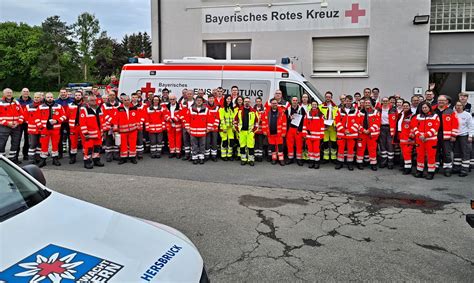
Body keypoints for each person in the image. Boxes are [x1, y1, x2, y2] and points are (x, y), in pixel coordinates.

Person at [411, 102, 440, 180]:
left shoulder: (435, 116)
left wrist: (425, 135)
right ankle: (419, 170)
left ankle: (431, 172)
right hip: (420, 139)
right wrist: (419, 135)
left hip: (431, 140)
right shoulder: (418, 116)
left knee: (431, 156)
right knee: (420, 155)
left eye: (426, 107)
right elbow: (414, 126)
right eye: (423, 108)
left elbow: (435, 128)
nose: (424, 109)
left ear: (429, 108)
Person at [37, 92, 66, 167]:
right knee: (44, 144)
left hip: (55, 129)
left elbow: (64, 116)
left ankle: (55, 159)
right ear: (45, 98)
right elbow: (36, 118)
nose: (49, 98)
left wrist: (57, 121)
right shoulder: (41, 107)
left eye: (51, 97)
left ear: (53, 98)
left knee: (55, 144)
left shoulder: (59, 106)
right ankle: (43, 160)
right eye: (48, 97)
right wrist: (41, 126)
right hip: (44, 129)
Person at [434, 95, 459, 176]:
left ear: (446, 101)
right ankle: (435, 166)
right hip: (434, 135)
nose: (441, 102)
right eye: (439, 100)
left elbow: (455, 124)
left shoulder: (450, 111)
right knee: (435, 151)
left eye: (443, 100)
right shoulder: (433, 110)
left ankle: (447, 168)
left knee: (446, 152)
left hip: (446, 136)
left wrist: (453, 135)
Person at [79, 93, 106, 169]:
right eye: (91, 100)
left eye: (95, 100)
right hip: (89, 134)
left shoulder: (99, 108)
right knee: (88, 149)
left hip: (98, 134)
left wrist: (103, 130)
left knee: (97, 148)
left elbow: (102, 120)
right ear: (88, 101)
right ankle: (87, 161)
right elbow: (82, 122)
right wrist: (85, 133)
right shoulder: (84, 109)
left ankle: (96, 160)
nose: (94, 101)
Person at [113, 95, 140, 165]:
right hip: (122, 131)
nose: (127, 101)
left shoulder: (134, 108)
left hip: (133, 130)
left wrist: (138, 127)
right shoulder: (118, 109)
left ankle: (132, 157)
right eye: (125, 100)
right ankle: (123, 158)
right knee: (123, 145)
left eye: (128, 100)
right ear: (122, 101)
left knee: (133, 144)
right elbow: (115, 120)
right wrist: (115, 131)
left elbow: (138, 118)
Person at [0, 88, 24, 164]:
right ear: (3, 94)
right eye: (7, 93)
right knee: (1, 143)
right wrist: (7, 123)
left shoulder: (16, 102)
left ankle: (12, 160)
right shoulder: (0, 103)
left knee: (15, 143)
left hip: (16, 126)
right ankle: (2, 160)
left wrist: (18, 122)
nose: (9, 94)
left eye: (10, 92)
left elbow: (22, 114)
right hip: (4, 127)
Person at [335, 95, 359, 170]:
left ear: (352, 101)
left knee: (350, 149)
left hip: (351, 134)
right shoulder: (339, 110)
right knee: (340, 149)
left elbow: (357, 122)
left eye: (349, 101)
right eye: (347, 101)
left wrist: (350, 130)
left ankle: (350, 164)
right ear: (344, 101)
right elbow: (337, 121)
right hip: (342, 133)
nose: (348, 102)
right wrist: (343, 130)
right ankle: (340, 163)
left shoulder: (356, 110)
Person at [356, 98, 381, 171]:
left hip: (371, 134)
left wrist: (369, 130)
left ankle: (373, 164)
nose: (367, 104)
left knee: (372, 149)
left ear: (370, 104)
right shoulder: (359, 112)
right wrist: (363, 130)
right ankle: (359, 163)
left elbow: (377, 123)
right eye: (365, 103)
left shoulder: (375, 112)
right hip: (362, 133)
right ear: (363, 104)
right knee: (360, 149)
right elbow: (356, 123)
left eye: (368, 103)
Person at [261, 98, 287, 166]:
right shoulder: (267, 112)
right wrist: (264, 131)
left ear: (277, 104)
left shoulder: (281, 112)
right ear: (271, 104)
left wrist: (284, 132)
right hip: (270, 133)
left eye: (275, 103)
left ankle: (281, 159)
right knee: (272, 147)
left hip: (279, 134)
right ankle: (274, 159)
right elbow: (263, 122)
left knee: (280, 147)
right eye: (273, 103)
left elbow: (284, 123)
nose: (274, 104)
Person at [185, 96, 211, 164]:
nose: (199, 101)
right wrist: (187, 128)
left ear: (202, 101)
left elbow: (210, 120)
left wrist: (208, 128)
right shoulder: (191, 109)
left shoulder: (206, 109)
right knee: (194, 145)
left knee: (202, 145)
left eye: (200, 100)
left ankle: (201, 157)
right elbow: (187, 119)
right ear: (195, 101)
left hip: (202, 131)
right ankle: (194, 157)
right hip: (193, 131)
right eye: (197, 100)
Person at [234, 97, 258, 166]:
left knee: (251, 147)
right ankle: (243, 159)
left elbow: (257, 122)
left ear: (250, 102)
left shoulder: (254, 111)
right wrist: (237, 129)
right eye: (245, 101)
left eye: (248, 101)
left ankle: (251, 160)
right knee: (242, 146)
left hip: (250, 132)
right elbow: (235, 121)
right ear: (243, 102)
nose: (247, 102)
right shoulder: (239, 110)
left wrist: (254, 131)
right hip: (242, 132)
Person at [452, 101, 473, 177]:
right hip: (455, 136)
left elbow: (471, 126)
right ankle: (456, 168)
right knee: (456, 152)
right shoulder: (453, 114)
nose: (458, 107)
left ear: (463, 106)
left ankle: (464, 170)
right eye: (457, 105)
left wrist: (470, 136)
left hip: (464, 135)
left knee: (465, 152)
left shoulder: (467, 115)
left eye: (460, 105)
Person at [395, 101, 415, 175]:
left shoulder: (412, 115)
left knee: (407, 153)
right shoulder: (401, 114)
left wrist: (411, 136)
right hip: (401, 136)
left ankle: (408, 168)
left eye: (407, 106)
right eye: (404, 106)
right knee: (404, 153)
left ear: (410, 107)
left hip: (408, 137)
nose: (405, 107)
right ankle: (406, 166)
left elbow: (414, 127)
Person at [286, 96, 307, 166]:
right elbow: (284, 119)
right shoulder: (288, 109)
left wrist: (302, 129)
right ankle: (290, 158)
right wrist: (289, 118)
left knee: (299, 144)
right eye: (293, 100)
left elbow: (304, 120)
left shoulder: (301, 109)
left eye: (296, 100)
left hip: (298, 129)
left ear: (298, 101)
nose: (295, 101)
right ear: (291, 101)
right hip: (290, 129)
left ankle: (299, 159)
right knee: (289, 144)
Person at [378, 97, 397, 169]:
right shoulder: (379, 110)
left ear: (389, 102)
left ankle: (390, 162)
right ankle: (383, 162)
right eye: (384, 101)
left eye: (386, 101)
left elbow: (396, 120)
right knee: (382, 145)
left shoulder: (393, 110)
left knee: (390, 145)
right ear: (382, 102)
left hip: (390, 129)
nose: (385, 102)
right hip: (382, 128)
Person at [304, 101, 324, 169]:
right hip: (309, 135)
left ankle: (317, 162)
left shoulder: (320, 114)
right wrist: (304, 133)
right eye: (313, 104)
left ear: (317, 105)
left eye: (315, 104)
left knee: (316, 150)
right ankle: (311, 162)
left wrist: (321, 134)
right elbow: (305, 124)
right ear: (311, 105)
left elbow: (322, 125)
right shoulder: (307, 113)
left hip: (317, 136)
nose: (314, 105)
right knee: (310, 149)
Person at [319, 91, 338, 163]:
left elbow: (337, 117)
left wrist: (336, 126)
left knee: (333, 142)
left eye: (329, 97)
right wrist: (322, 126)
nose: (328, 98)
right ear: (325, 97)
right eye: (327, 97)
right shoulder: (320, 106)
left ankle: (333, 157)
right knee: (325, 142)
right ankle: (326, 157)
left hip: (333, 127)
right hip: (325, 127)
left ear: (331, 98)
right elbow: (319, 117)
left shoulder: (335, 107)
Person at [101, 91, 121, 162]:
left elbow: (121, 114)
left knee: (116, 140)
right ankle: (108, 156)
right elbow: (104, 115)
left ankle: (116, 155)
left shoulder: (119, 104)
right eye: (110, 95)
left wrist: (116, 122)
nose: (112, 96)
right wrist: (112, 121)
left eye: (113, 95)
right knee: (108, 141)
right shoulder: (104, 105)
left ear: (115, 96)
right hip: (108, 126)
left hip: (117, 125)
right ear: (108, 97)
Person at [24, 92, 42, 164]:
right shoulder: (28, 106)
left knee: (40, 144)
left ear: (41, 98)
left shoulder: (43, 106)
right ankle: (31, 159)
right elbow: (25, 117)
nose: (36, 99)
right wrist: (31, 123)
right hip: (32, 129)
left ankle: (38, 157)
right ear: (33, 98)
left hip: (41, 129)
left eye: (38, 97)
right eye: (35, 97)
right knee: (32, 144)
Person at [66, 91, 84, 164]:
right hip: (73, 127)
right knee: (73, 142)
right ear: (74, 96)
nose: (77, 96)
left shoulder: (85, 105)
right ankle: (73, 157)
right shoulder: (70, 105)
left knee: (85, 142)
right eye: (76, 95)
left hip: (83, 126)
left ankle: (86, 156)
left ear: (81, 96)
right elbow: (67, 116)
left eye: (79, 95)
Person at [56, 88, 73, 159]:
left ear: (67, 93)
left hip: (69, 122)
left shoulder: (72, 101)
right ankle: (60, 153)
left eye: (64, 92)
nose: (63, 94)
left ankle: (71, 153)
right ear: (60, 93)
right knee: (59, 138)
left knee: (71, 138)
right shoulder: (56, 101)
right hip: (60, 122)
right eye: (61, 92)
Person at [165, 94, 183, 158]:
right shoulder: (166, 106)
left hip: (177, 124)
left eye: (173, 99)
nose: (172, 100)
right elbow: (165, 114)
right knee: (170, 138)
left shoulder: (180, 106)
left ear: (176, 99)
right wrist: (169, 119)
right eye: (170, 99)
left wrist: (175, 119)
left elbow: (181, 114)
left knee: (178, 139)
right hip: (170, 124)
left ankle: (178, 152)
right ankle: (172, 151)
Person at [17, 88, 32, 161]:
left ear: (29, 93)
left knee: (27, 140)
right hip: (19, 123)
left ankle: (25, 154)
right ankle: (15, 156)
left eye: (27, 91)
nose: (26, 93)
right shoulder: (17, 101)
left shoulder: (32, 101)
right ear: (21, 92)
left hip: (28, 123)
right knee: (17, 139)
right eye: (24, 91)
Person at [219, 95, 235, 161]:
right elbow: (222, 119)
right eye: (227, 99)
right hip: (224, 128)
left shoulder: (232, 108)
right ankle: (223, 155)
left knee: (231, 141)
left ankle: (229, 155)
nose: (228, 100)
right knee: (224, 141)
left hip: (231, 128)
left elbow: (234, 119)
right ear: (225, 100)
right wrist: (224, 128)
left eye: (230, 99)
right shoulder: (222, 108)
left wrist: (234, 127)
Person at [180, 89, 195, 160]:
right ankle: (187, 155)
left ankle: (192, 155)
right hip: (185, 125)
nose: (189, 95)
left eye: (190, 94)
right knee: (186, 141)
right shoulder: (183, 103)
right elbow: (181, 114)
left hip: (193, 126)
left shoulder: (196, 103)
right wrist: (184, 122)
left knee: (193, 141)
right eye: (188, 94)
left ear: (193, 95)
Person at [131, 92, 146, 159]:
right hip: (131, 126)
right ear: (131, 98)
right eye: (133, 97)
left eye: (136, 97)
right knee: (132, 140)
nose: (134, 98)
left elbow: (143, 115)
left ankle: (140, 154)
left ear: (138, 98)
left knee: (140, 140)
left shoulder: (141, 106)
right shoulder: (129, 106)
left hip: (139, 126)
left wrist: (140, 123)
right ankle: (133, 154)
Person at [205, 95, 220, 161]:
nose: (211, 100)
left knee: (214, 141)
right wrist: (207, 126)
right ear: (208, 99)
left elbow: (218, 117)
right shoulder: (205, 107)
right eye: (210, 98)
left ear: (214, 99)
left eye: (212, 98)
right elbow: (204, 117)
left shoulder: (217, 107)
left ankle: (214, 155)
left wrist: (214, 126)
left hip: (214, 128)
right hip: (207, 128)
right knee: (207, 141)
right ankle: (207, 155)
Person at [254, 97, 266, 162]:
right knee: (255, 144)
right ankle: (256, 156)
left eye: (259, 101)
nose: (258, 102)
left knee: (260, 144)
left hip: (261, 130)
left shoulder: (264, 109)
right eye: (257, 101)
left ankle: (260, 156)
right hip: (255, 130)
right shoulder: (253, 109)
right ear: (255, 102)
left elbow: (265, 119)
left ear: (261, 102)